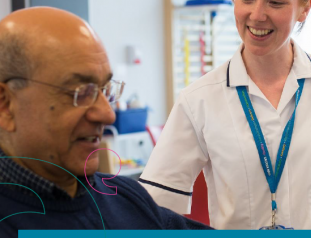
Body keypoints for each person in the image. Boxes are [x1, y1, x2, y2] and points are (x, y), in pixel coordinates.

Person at [139, 0, 311, 236]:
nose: (257, 15)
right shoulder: (198, 99)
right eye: (247, 0)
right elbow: (153, 208)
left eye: (275, 3)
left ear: (304, 8)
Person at [0, 7, 212, 237]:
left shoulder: (125, 196)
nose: (107, 114)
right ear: (6, 105)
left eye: (105, 90)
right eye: (80, 91)